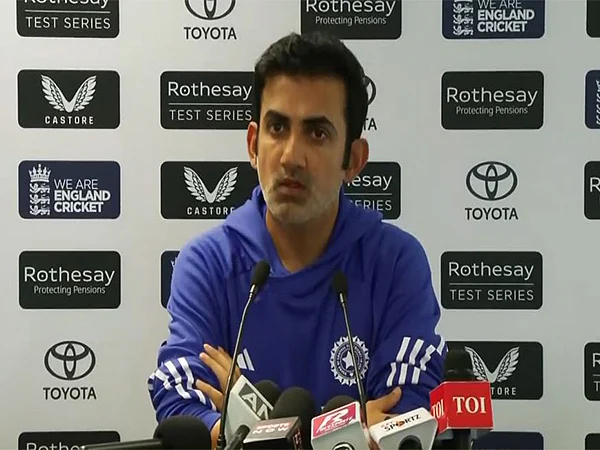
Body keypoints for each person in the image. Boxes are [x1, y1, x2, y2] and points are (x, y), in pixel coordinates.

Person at [147, 30, 447, 448]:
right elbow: (181, 399)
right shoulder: (208, 262)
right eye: (277, 127)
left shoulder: (396, 262)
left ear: (353, 160)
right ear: (254, 144)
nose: (291, 156)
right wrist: (347, 427)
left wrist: (252, 422)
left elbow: (404, 412)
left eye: (317, 133)